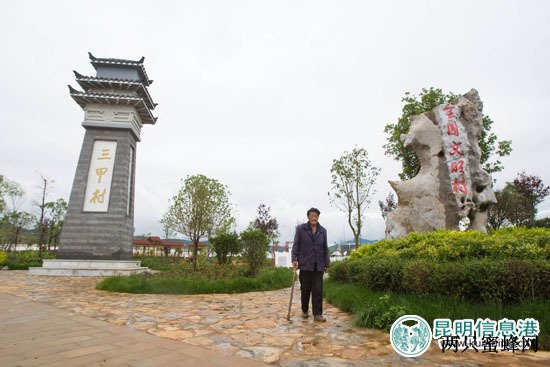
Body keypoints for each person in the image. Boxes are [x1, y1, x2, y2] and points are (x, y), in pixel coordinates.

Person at [291, 207, 330, 322]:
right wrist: (294, 259)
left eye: (316, 216)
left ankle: (318, 314)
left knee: (318, 290)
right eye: (312, 215)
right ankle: (304, 310)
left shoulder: (323, 231)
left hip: (318, 265)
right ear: (308, 217)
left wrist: (327, 262)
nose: (314, 217)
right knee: (305, 290)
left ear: (318, 217)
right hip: (305, 265)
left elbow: (325, 248)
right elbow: (296, 246)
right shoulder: (300, 229)